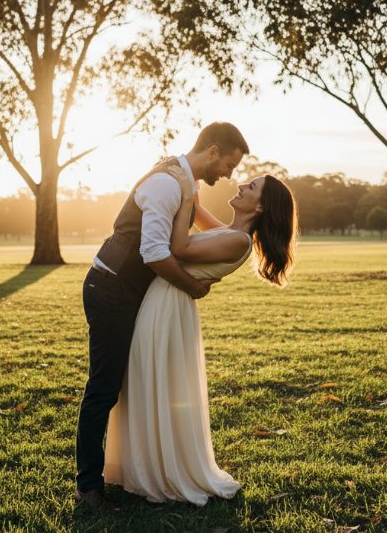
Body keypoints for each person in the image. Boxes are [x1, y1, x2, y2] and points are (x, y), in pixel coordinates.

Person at [74, 122, 250, 510]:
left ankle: (135, 467)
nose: (229, 174)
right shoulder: (168, 185)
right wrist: (192, 286)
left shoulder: (184, 184)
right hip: (110, 289)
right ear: (213, 151)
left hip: (131, 293)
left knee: (128, 382)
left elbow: (219, 236)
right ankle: (88, 487)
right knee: (104, 387)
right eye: (229, 164)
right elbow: (154, 253)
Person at [103, 168, 298, 506]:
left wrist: (184, 196)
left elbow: (177, 246)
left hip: (167, 306)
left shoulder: (237, 241)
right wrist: (187, 183)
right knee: (147, 380)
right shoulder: (230, 232)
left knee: (150, 379)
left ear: (261, 207)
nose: (241, 184)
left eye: (251, 186)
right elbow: (195, 212)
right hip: (166, 301)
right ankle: (145, 464)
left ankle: (160, 470)